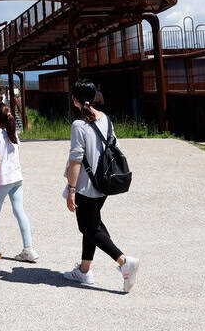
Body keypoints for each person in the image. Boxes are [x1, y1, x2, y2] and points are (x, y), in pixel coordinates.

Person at [62, 78, 139, 292]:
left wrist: (71, 190)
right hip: (104, 183)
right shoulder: (106, 118)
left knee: (88, 227)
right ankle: (84, 271)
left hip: (87, 186)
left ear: (75, 100)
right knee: (93, 224)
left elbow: (76, 159)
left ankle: (124, 262)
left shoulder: (79, 125)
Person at [0, 102, 37, 262]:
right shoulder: (12, 133)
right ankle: (28, 248)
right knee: (19, 211)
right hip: (16, 178)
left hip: (1, 180)